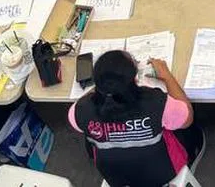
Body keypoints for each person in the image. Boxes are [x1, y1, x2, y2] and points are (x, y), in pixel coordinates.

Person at [70, 47, 203, 187]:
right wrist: (167, 76)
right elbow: (187, 118)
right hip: (162, 173)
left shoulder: (81, 109)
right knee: (182, 125)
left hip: (116, 177)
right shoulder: (154, 101)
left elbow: (76, 122)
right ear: (134, 79)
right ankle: (193, 152)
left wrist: (105, 89)